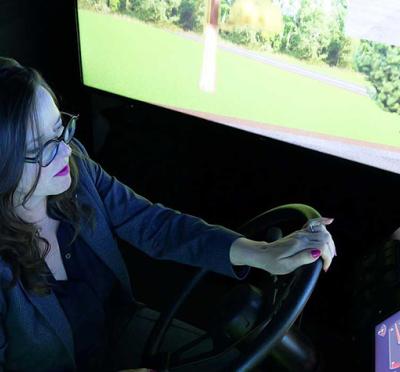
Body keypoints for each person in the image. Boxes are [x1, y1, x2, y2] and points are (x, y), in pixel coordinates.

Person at [0, 57, 336, 372]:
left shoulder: (76, 168)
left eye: (61, 128)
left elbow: (153, 225)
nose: (64, 149)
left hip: (121, 330)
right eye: (39, 149)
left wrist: (262, 252)